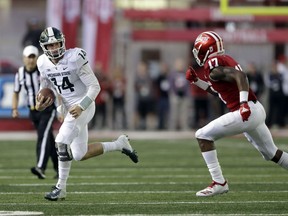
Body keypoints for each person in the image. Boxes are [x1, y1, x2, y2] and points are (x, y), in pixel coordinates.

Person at [35, 27, 138, 201]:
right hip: (68, 108)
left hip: (84, 104)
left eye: (57, 44)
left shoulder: (75, 57)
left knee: (60, 141)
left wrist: (82, 106)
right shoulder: (42, 62)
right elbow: (47, 87)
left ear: (63, 42)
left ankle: (61, 188)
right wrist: (43, 103)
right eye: (50, 45)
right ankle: (120, 144)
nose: (54, 48)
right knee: (79, 154)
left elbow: (95, 86)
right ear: (44, 47)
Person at [185, 31, 288, 197]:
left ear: (206, 50)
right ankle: (219, 182)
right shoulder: (220, 63)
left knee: (203, 135)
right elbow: (220, 92)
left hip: (246, 111)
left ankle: (219, 182)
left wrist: (242, 104)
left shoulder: (213, 64)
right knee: (272, 153)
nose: (197, 54)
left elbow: (241, 76)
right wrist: (197, 82)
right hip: (255, 110)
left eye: (198, 50)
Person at [12, 45, 58, 179]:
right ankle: (59, 168)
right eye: (29, 57)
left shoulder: (43, 71)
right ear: (24, 58)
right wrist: (14, 109)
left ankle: (40, 167)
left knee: (42, 137)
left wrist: (60, 109)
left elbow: (56, 89)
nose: (31, 60)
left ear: (37, 58)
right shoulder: (20, 73)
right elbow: (16, 92)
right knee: (48, 139)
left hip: (47, 109)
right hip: (33, 111)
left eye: (33, 57)